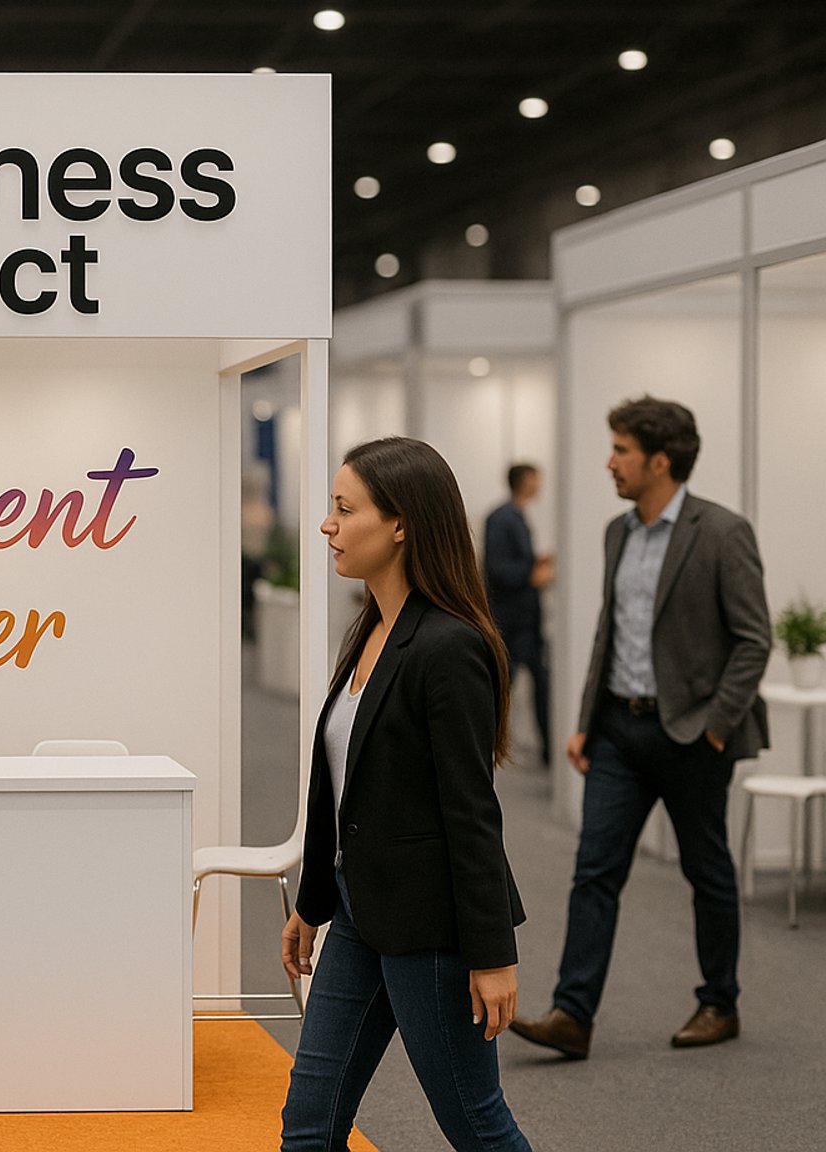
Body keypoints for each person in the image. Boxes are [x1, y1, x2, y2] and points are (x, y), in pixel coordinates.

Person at [280, 436, 529, 1152]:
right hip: (360, 912)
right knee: (309, 1124)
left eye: (343, 508)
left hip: (434, 928)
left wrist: (492, 956)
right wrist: (312, 901)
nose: (327, 524)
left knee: (477, 1124)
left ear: (399, 525)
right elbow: (348, 790)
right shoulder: (372, 630)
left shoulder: (450, 647)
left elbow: (471, 813)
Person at [512, 396, 768, 1059]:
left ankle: (720, 1002)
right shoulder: (617, 532)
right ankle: (572, 1014)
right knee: (594, 869)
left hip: (692, 736)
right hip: (619, 734)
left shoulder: (721, 531)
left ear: (660, 460)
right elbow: (611, 631)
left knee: (706, 870)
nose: (610, 462)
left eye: (621, 450)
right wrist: (584, 721)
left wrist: (715, 726)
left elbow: (753, 640)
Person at [484, 463, 556, 766]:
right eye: (535, 478)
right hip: (510, 621)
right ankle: (485, 749)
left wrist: (536, 562)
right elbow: (497, 569)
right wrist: (532, 574)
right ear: (524, 481)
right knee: (501, 687)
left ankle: (547, 751)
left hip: (526, 621)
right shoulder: (502, 518)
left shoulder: (516, 515)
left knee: (539, 684)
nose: (540, 483)